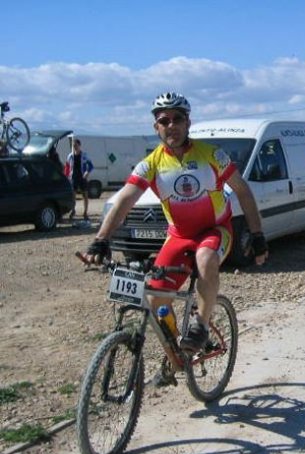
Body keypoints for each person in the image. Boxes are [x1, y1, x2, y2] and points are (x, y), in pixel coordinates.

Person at [82, 92, 268, 356]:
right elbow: (125, 199)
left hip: (215, 230)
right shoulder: (151, 164)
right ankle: (176, 356)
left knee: (205, 258)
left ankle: (201, 326)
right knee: (155, 299)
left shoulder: (212, 155)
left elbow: (243, 191)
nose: (171, 125)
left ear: (188, 122)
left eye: (177, 118)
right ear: (156, 127)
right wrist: (100, 240)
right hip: (179, 236)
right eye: (164, 120)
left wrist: (257, 235)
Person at [64, 139, 93, 221]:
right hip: (74, 177)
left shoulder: (84, 155)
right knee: (73, 196)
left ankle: (85, 213)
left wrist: (87, 172)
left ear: (80, 146)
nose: (75, 147)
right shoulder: (70, 156)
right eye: (74, 146)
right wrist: (66, 176)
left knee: (85, 195)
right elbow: (67, 167)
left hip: (82, 177)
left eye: (76, 145)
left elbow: (91, 166)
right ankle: (73, 210)